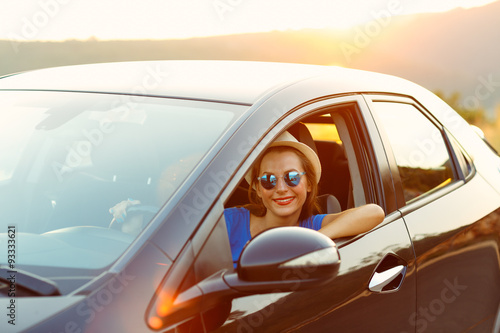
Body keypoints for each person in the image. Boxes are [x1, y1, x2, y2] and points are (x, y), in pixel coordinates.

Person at [224, 131, 385, 266]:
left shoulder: (313, 227)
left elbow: (375, 212)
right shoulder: (229, 222)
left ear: (309, 183)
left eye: (292, 177)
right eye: (268, 180)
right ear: (258, 189)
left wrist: (314, 240)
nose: (280, 189)